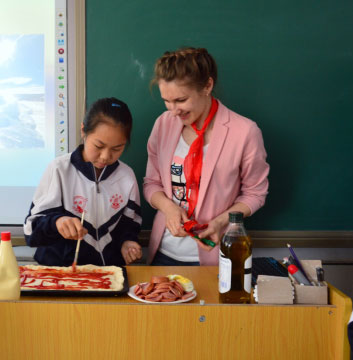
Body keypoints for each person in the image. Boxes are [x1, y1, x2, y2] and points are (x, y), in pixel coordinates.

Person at [144, 47, 269, 266]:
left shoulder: (245, 132)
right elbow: (151, 184)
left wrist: (222, 222)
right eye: (167, 101)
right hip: (163, 254)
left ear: (207, 86)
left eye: (181, 100)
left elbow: (255, 194)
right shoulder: (163, 124)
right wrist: (168, 208)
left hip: (217, 257)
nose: (173, 111)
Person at [24, 97, 143, 266]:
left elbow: (129, 226)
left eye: (117, 149)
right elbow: (31, 232)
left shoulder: (126, 176)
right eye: (99, 146)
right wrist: (57, 222)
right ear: (83, 131)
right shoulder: (59, 169)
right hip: (59, 274)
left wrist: (127, 242)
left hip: (107, 275)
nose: (105, 156)